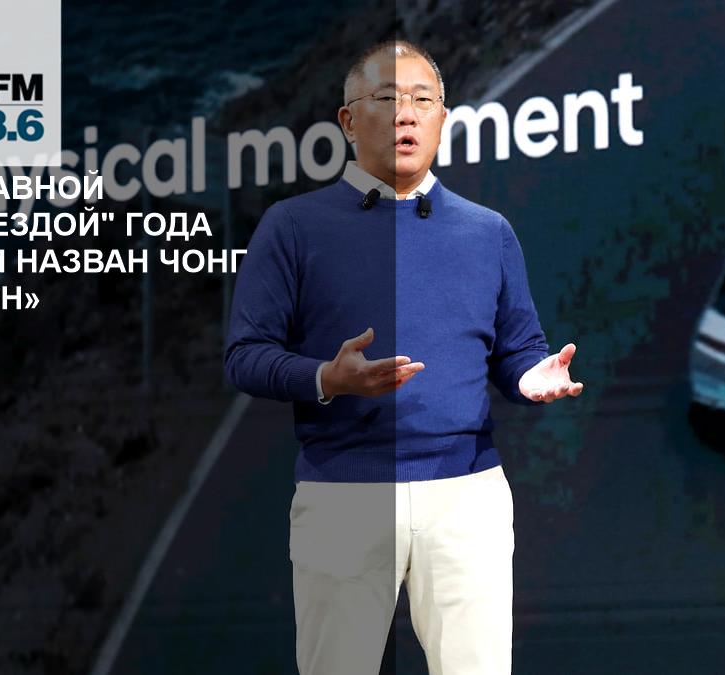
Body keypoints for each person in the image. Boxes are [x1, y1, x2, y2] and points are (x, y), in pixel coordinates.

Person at [224, 39, 583, 674]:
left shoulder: (488, 231)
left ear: (443, 117)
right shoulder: (292, 226)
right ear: (347, 121)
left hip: (467, 496)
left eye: (422, 99)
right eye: (386, 98)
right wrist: (326, 378)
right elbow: (245, 356)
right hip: (343, 495)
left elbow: (517, 349)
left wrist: (533, 375)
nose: (405, 114)